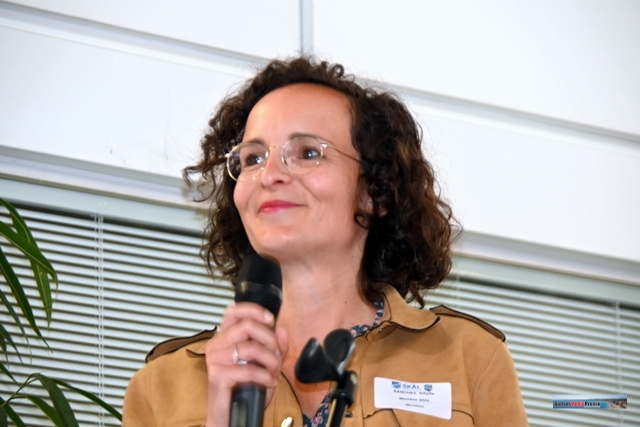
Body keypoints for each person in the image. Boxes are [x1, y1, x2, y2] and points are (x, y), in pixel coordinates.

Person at [122, 56, 529, 426]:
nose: (270, 175)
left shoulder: (470, 358)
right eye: (252, 158)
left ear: (375, 191)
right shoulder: (161, 388)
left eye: (308, 153)